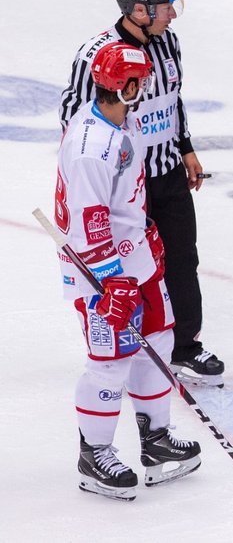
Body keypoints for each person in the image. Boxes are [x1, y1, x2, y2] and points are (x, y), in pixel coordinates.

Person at [60, 0, 224, 387]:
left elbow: (173, 99)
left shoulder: (167, 42)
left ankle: (184, 346)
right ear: (138, 9)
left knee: (182, 260)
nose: (172, 13)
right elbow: (73, 119)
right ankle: (126, 351)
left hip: (167, 172)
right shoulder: (95, 54)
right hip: (125, 186)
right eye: (165, 5)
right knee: (131, 268)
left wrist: (185, 146)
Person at [56, 41, 201, 501]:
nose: (151, 84)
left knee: (158, 338)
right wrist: (111, 281)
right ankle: (93, 454)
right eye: (144, 78)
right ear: (128, 84)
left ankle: (156, 442)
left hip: (135, 255)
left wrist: (144, 237)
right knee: (110, 361)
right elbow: (88, 218)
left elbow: (123, 201)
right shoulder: (89, 147)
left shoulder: (122, 120)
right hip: (100, 269)